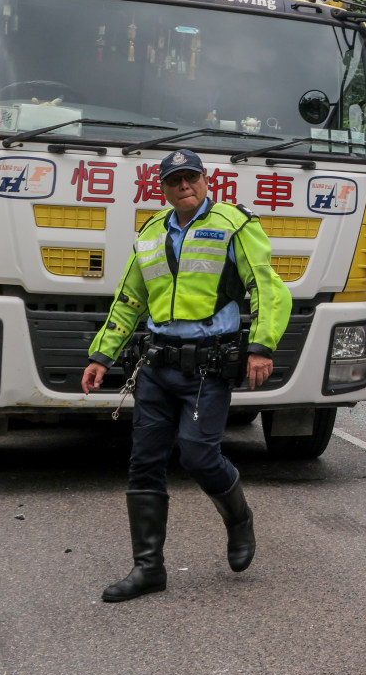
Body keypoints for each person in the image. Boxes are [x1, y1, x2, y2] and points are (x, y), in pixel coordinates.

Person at [80, 149, 292, 603]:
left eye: (191, 177)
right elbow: (128, 300)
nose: (184, 186)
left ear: (204, 179)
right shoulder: (152, 232)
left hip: (208, 365)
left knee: (198, 455)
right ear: (163, 186)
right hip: (157, 366)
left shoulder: (234, 225)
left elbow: (269, 288)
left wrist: (261, 347)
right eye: (175, 180)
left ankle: (238, 518)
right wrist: (101, 355)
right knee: (144, 461)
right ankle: (148, 568)